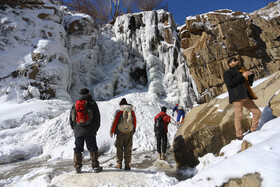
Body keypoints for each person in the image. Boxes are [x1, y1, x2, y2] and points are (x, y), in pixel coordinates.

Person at [223, 57, 262, 140]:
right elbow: (230, 83)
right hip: (237, 97)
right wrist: (243, 76)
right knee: (239, 116)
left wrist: (250, 76)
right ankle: (239, 136)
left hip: (246, 96)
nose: (237, 61)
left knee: (257, 112)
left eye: (237, 60)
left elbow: (249, 84)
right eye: (234, 60)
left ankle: (253, 130)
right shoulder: (227, 73)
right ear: (230, 64)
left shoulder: (241, 71)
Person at [70, 88, 102, 173]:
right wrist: (96, 128)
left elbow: (71, 119)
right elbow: (97, 117)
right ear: (88, 93)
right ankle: (95, 166)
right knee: (92, 147)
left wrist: (75, 129)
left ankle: (77, 167)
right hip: (90, 129)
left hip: (78, 130)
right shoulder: (92, 103)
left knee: (78, 148)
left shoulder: (75, 104)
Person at [110, 98, 136, 170]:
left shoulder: (119, 111)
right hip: (129, 132)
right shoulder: (131, 111)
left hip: (120, 132)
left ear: (121, 105)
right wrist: (133, 131)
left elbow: (114, 122)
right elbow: (134, 121)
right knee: (128, 148)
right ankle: (127, 165)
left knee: (119, 147)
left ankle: (119, 164)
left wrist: (112, 131)